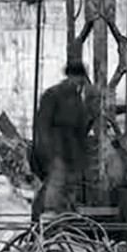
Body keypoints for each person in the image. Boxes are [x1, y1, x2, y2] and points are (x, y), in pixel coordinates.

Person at [33, 60, 97, 220]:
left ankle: (67, 213)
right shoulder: (52, 95)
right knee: (57, 180)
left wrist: (91, 106)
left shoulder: (77, 100)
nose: (79, 82)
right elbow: (42, 125)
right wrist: (46, 151)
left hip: (72, 150)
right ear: (70, 76)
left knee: (71, 183)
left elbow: (82, 128)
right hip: (56, 147)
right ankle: (49, 214)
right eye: (77, 78)